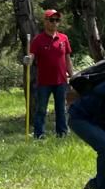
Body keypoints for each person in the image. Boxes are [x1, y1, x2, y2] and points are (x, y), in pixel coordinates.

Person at [24, 9, 73, 139]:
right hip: (44, 82)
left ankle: (62, 133)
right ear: (45, 21)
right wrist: (28, 59)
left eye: (57, 20)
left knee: (61, 109)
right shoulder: (38, 40)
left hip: (61, 81)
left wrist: (72, 76)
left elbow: (67, 59)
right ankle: (39, 134)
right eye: (51, 20)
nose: (54, 23)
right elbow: (32, 56)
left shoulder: (63, 38)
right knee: (41, 109)